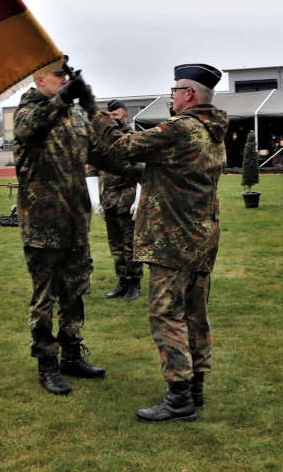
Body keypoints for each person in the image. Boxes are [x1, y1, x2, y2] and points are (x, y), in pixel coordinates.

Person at [93, 64, 228, 423]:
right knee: (195, 314)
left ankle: (179, 397)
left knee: (166, 315)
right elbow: (164, 172)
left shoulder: (181, 128)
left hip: (172, 240)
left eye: (174, 91)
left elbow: (123, 146)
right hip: (201, 238)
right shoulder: (210, 132)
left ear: (188, 94)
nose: (170, 97)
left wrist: (92, 111)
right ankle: (195, 389)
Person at [13, 61, 128, 395]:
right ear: (39, 78)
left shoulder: (76, 117)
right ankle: (47, 363)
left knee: (74, 292)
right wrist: (63, 99)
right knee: (45, 296)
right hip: (43, 224)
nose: (65, 81)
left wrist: (141, 169)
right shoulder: (27, 111)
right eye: (59, 76)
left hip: (76, 222)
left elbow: (101, 154)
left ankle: (72, 355)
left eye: (68, 77)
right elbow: (28, 129)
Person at [87, 100, 144, 300]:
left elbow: (143, 172)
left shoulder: (133, 139)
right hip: (109, 199)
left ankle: (134, 283)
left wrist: (139, 199)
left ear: (126, 116)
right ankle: (122, 281)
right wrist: (95, 200)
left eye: (116, 116)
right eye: (109, 117)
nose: (112, 120)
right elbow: (91, 171)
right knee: (116, 246)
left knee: (131, 244)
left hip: (128, 198)